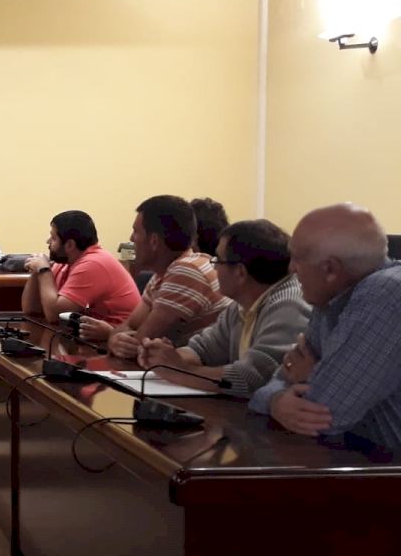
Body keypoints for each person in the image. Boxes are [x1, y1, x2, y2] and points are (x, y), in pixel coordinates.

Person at [250, 204, 401, 452]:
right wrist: (275, 400)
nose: (290, 269)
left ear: (330, 269)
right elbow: (280, 377)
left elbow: (325, 416)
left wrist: (308, 377)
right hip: (358, 460)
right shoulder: (329, 298)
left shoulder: (387, 293)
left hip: (385, 468)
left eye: (297, 258)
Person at [137, 219, 310, 395]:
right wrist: (161, 356)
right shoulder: (241, 305)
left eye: (218, 260)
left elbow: (251, 379)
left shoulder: (289, 306)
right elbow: (204, 350)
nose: (214, 268)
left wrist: (179, 371)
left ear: (240, 272)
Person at [82, 194, 229, 358]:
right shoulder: (163, 274)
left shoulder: (187, 271)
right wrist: (114, 338)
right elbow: (128, 327)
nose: (131, 239)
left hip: (200, 371)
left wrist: (116, 338)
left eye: (136, 232)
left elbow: (140, 342)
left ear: (153, 241)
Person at [21, 210, 140, 327]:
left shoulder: (93, 264)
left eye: (53, 238)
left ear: (70, 245)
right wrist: (37, 271)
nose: (48, 241)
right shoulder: (65, 262)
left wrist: (44, 271)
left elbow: (55, 316)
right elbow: (32, 310)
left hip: (119, 334)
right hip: (89, 332)